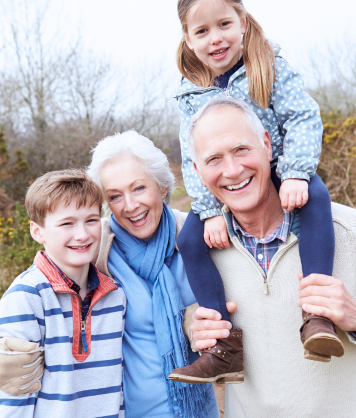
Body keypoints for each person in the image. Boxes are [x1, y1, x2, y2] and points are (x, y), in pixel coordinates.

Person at [170, 0, 340, 384]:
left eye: (224, 24)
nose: (216, 38)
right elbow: (191, 156)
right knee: (190, 241)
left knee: (317, 200)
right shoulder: (189, 94)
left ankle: (317, 315)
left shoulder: (269, 66)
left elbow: (301, 117)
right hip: (225, 190)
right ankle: (224, 346)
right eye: (202, 31)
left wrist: (296, 172)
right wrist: (210, 209)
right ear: (188, 39)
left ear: (242, 22)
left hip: (280, 169)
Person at [181, 97, 356, 417]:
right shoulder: (207, 252)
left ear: (267, 144)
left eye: (241, 150)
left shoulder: (349, 232)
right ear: (198, 173)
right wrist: (195, 325)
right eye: (214, 159)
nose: (232, 170)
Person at [0, 169, 126, 418]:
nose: (83, 234)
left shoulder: (116, 294)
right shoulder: (26, 297)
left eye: (91, 220)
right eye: (67, 223)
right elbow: (15, 393)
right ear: (37, 232)